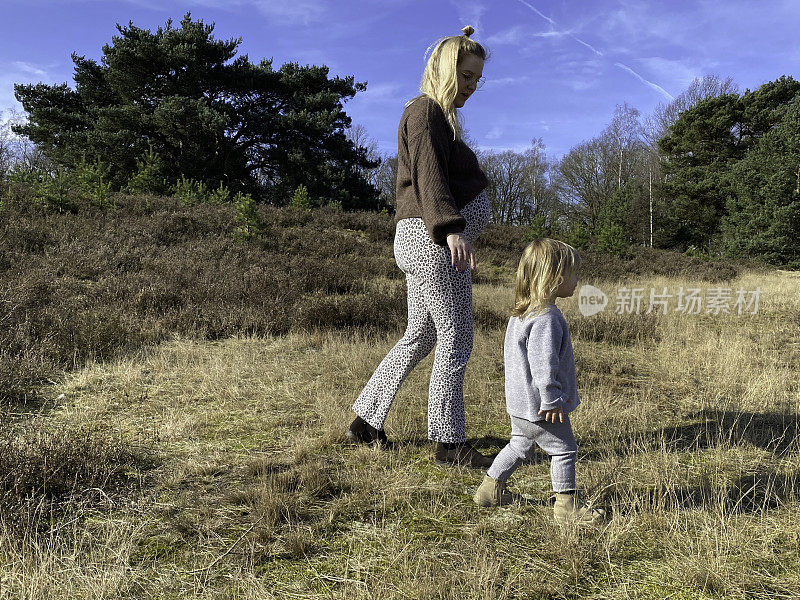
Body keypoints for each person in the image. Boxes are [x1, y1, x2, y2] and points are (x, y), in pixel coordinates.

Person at [347, 25, 492, 468]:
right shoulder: (426, 111)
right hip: (431, 241)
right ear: (447, 69)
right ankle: (448, 443)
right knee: (457, 336)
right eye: (466, 75)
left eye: (477, 79)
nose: (471, 85)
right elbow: (429, 177)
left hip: (418, 238)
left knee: (422, 334)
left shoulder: (433, 116)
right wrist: (450, 229)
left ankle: (365, 421)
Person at [472, 238, 606, 524]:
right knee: (565, 449)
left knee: (519, 445)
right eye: (574, 274)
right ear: (556, 278)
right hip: (541, 406)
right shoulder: (547, 317)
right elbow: (544, 365)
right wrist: (551, 398)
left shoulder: (522, 313)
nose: (577, 280)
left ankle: (489, 490)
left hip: (519, 405)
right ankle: (567, 508)